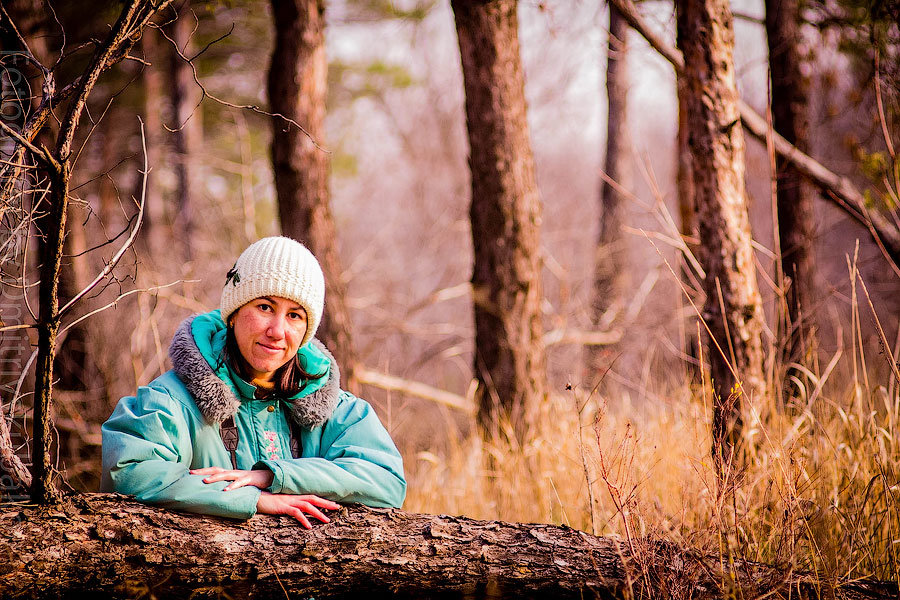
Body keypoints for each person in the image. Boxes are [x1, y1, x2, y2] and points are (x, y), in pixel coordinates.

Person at [102, 236, 406, 528]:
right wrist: (252, 498)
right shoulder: (172, 400)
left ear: (306, 332)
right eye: (265, 307)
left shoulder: (336, 409)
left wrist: (272, 476)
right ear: (233, 313)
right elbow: (128, 471)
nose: (277, 330)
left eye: (295, 316)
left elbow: (387, 480)